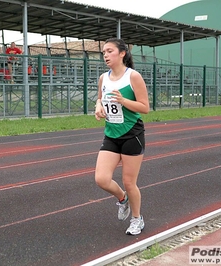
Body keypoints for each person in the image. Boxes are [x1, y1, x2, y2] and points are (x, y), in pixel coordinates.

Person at [94, 38, 150, 236]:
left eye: (110, 51)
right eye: (104, 52)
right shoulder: (104, 78)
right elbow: (100, 99)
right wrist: (98, 107)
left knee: (129, 182)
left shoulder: (133, 77)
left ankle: (137, 219)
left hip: (131, 134)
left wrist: (124, 100)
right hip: (111, 134)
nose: (106, 55)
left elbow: (145, 108)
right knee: (101, 179)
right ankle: (122, 199)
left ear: (122, 53)